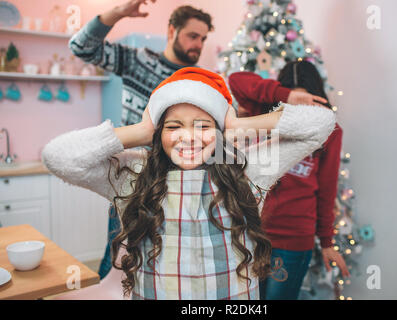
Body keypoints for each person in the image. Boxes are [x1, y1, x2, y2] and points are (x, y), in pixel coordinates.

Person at [42, 67, 336, 300]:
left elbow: (321, 123)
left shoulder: (248, 171)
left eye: (203, 125)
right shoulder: (134, 173)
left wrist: (235, 125)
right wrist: (143, 129)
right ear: (157, 132)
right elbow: (58, 157)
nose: (188, 137)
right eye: (173, 126)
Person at [69, 0, 214, 279]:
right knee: (119, 262)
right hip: (132, 178)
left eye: (203, 39)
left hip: (178, 186)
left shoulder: (201, 83)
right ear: (172, 31)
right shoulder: (138, 61)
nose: (199, 44)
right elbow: (80, 47)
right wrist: (118, 13)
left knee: (165, 266)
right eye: (192, 36)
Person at [229, 60, 349, 300]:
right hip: (250, 236)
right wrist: (286, 96)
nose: (300, 114)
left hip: (293, 241)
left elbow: (326, 191)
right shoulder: (265, 116)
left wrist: (327, 242)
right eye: (295, 105)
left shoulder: (329, 132)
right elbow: (236, 80)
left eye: (307, 105)